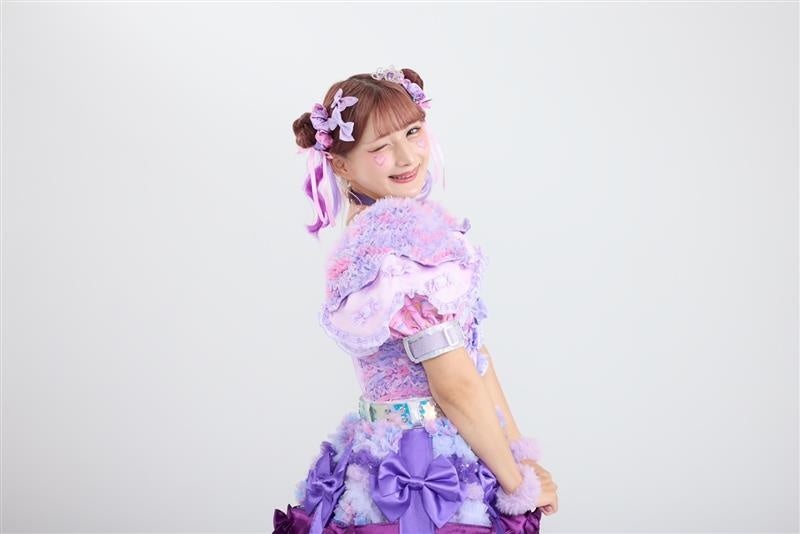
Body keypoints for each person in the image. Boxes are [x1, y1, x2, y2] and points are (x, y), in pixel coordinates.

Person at [273, 65, 558, 534]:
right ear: (341, 164)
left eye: (413, 132)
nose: (407, 157)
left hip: (381, 455)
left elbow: (475, 356)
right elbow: (456, 382)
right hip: (428, 471)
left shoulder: (366, 237)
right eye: (381, 147)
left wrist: (517, 452)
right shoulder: (406, 241)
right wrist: (517, 481)